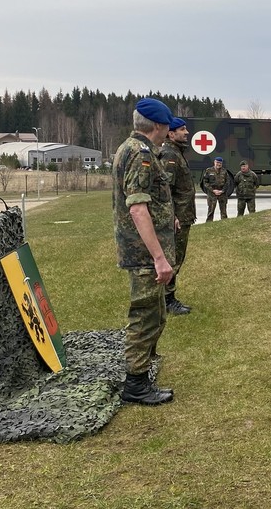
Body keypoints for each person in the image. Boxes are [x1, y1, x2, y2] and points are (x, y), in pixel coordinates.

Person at [113, 98, 177, 406]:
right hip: (144, 254)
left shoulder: (132, 148)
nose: (168, 131)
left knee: (155, 313)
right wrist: (158, 257)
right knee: (145, 315)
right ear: (159, 126)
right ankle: (136, 384)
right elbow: (138, 208)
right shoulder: (140, 154)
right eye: (167, 126)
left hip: (143, 251)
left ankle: (142, 372)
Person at [160, 117, 194, 315]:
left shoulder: (177, 153)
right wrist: (172, 216)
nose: (186, 132)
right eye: (182, 129)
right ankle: (167, 300)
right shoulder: (169, 155)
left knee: (177, 258)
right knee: (173, 259)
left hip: (183, 216)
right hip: (177, 219)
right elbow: (166, 190)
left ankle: (166, 297)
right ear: (171, 134)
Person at [200, 156, 231, 221]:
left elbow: (228, 182)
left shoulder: (224, 171)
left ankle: (224, 223)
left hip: (222, 194)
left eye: (220, 163)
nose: (218, 164)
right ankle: (208, 224)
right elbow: (205, 182)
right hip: (212, 194)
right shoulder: (209, 170)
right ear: (214, 162)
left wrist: (222, 191)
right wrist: (213, 190)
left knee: (223, 211)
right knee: (211, 210)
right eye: (217, 162)